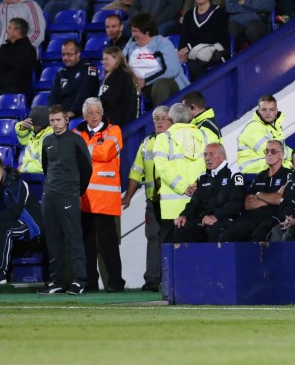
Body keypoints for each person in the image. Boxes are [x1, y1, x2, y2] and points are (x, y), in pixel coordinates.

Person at [39, 104, 92, 295]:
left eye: (58, 120)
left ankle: (80, 281)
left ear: (66, 120)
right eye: (52, 120)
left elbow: (87, 168)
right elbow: (47, 167)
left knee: (74, 240)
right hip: (50, 196)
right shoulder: (47, 141)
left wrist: (76, 190)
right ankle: (57, 281)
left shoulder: (76, 140)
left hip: (69, 195)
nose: (55, 123)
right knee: (53, 241)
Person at [74, 98, 124, 292]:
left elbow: (105, 153)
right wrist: (93, 150)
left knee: (108, 244)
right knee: (86, 245)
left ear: (102, 113)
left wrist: (84, 150)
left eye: (97, 112)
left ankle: (116, 283)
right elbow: (78, 154)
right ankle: (90, 283)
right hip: (83, 198)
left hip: (104, 200)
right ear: (84, 115)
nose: (94, 116)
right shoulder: (77, 132)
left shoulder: (114, 131)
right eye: (90, 113)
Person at [122, 105, 171, 291]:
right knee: (152, 238)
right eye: (156, 118)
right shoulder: (147, 142)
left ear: (172, 121)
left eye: (163, 118)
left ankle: (169, 279)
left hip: (172, 201)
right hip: (153, 201)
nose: (159, 121)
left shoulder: (175, 141)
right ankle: (152, 280)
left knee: (169, 240)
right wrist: (128, 196)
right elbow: (136, 171)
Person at [0, 157, 42, 285]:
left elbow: (14, 213)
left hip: (29, 224)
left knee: (4, 228)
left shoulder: (16, 184)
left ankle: (0, 273)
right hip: (6, 221)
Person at [152, 103, 210, 244]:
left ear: (171, 117)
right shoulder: (204, 135)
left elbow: (162, 168)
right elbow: (211, 164)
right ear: (190, 116)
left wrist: (184, 187)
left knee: (172, 254)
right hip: (199, 205)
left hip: (172, 208)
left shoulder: (163, 138)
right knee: (197, 252)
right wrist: (197, 186)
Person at [218, 139, 290, 242]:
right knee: (227, 235)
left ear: (281, 155)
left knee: (259, 235)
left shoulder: (288, 175)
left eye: (273, 151)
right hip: (252, 216)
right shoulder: (260, 176)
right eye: (266, 151)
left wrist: (259, 195)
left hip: (274, 216)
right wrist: (270, 199)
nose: (269, 154)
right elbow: (248, 203)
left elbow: (280, 199)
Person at [174, 143, 246, 242]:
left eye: (212, 154)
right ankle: (191, 257)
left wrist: (215, 217)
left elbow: (235, 203)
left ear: (222, 156)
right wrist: (184, 215)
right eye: (205, 155)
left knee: (215, 229)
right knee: (182, 226)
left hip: (227, 219)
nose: (207, 158)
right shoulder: (203, 177)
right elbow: (195, 203)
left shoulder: (234, 174)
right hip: (206, 220)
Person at [122, 13, 190, 106]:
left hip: (165, 82)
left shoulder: (162, 43)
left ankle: (161, 117)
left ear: (147, 32)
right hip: (137, 84)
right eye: (132, 31)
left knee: (160, 85)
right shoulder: (131, 43)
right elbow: (120, 62)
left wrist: (145, 80)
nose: (133, 34)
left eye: (135, 31)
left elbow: (172, 70)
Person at [178, 0, 231, 81]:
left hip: (215, 51)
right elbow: (184, 36)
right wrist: (182, 53)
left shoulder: (218, 12)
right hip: (193, 54)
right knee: (186, 64)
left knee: (197, 65)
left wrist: (189, 47)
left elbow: (214, 36)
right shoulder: (189, 14)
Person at [0, 18, 37, 104]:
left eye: (9, 28)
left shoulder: (28, 50)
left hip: (14, 91)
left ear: (17, 31)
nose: (6, 31)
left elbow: (17, 66)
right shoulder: (4, 48)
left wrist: (2, 59)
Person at [237, 94, 292, 173]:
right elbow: (272, 151)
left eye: (271, 109)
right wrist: (294, 157)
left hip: (265, 169)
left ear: (276, 111)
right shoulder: (253, 127)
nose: (268, 113)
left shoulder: (274, 127)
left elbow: (278, 155)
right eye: (264, 109)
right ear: (259, 110)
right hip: (251, 173)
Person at [48, 39, 100, 119]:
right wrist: (53, 112)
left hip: (82, 114)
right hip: (62, 115)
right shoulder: (61, 72)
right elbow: (53, 96)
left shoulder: (88, 68)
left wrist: (73, 112)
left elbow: (84, 94)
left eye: (69, 54)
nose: (65, 58)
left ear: (78, 54)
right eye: (63, 54)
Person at [99, 47, 139, 127]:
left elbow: (112, 100)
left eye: (106, 59)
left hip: (118, 122)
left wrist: (97, 105)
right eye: (103, 59)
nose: (104, 62)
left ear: (116, 59)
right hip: (114, 120)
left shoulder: (119, 75)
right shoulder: (114, 74)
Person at [15, 106, 54, 174]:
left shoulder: (50, 137)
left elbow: (44, 165)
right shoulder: (36, 130)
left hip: (43, 177)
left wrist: (22, 168)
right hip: (31, 174)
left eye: (35, 124)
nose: (33, 126)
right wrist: (22, 128)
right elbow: (24, 142)